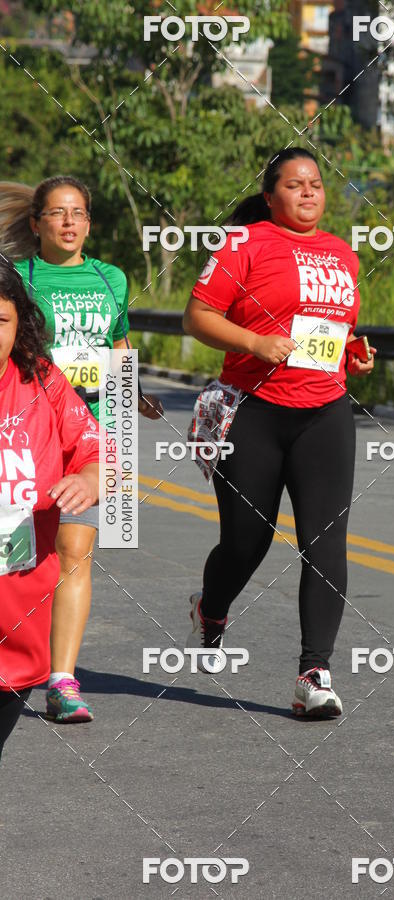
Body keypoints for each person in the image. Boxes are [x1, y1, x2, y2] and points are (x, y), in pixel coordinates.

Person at [183, 147, 375, 717]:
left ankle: (313, 674)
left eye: (316, 184)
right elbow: (196, 317)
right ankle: (211, 609)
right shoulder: (243, 244)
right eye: (295, 185)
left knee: (325, 542)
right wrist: (255, 343)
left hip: (325, 411)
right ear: (271, 197)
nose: (309, 193)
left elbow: (336, 329)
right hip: (255, 411)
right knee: (249, 539)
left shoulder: (343, 254)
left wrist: (352, 357)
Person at [0, 175, 163, 723]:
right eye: (58, 213)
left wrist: (130, 400)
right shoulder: (18, 278)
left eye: (80, 214)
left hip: (92, 428)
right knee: (29, 556)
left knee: (76, 551)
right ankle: (20, 657)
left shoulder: (110, 277)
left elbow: (117, 348)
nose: (70, 222)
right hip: (29, 431)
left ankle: (62, 678)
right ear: (36, 223)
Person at [0, 257, 100, 760]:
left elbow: (92, 445)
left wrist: (89, 475)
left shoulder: (41, 379)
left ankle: (59, 676)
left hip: (18, 611)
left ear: (19, 325)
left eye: (0, 321)